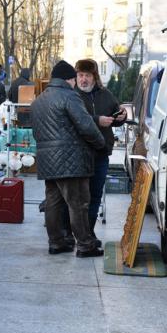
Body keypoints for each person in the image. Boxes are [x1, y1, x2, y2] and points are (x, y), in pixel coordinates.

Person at [31, 60, 105, 258]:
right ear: (69, 79)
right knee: (78, 203)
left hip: (47, 160)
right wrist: (100, 144)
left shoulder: (39, 100)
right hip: (71, 159)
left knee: (53, 202)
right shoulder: (69, 96)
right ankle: (85, 245)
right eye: (74, 79)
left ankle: (57, 242)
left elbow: (36, 132)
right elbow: (86, 125)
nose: (75, 83)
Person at [75, 59, 127, 238]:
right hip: (79, 154)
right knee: (80, 198)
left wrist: (122, 116)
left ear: (95, 77)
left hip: (101, 153)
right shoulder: (72, 95)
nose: (83, 79)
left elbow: (117, 113)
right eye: (80, 75)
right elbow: (73, 120)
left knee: (95, 195)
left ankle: (88, 233)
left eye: (87, 75)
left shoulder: (106, 94)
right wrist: (97, 120)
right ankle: (79, 234)